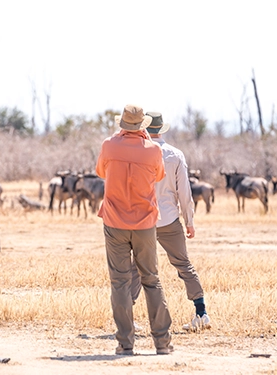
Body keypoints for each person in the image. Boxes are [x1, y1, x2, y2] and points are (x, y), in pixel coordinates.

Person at [95, 104, 173, 356]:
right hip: (145, 223)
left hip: (114, 221)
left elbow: (100, 171)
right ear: (142, 126)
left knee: (119, 282)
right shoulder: (152, 150)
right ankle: (162, 342)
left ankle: (125, 343)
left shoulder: (109, 145)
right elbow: (159, 175)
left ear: (121, 124)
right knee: (151, 279)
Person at [129, 112, 210, 332]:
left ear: (144, 129)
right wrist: (189, 221)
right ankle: (201, 313)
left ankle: (126, 316)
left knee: (137, 267)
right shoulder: (176, 155)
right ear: (162, 129)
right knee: (184, 265)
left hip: (143, 220)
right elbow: (184, 192)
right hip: (169, 219)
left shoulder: (137, 154)